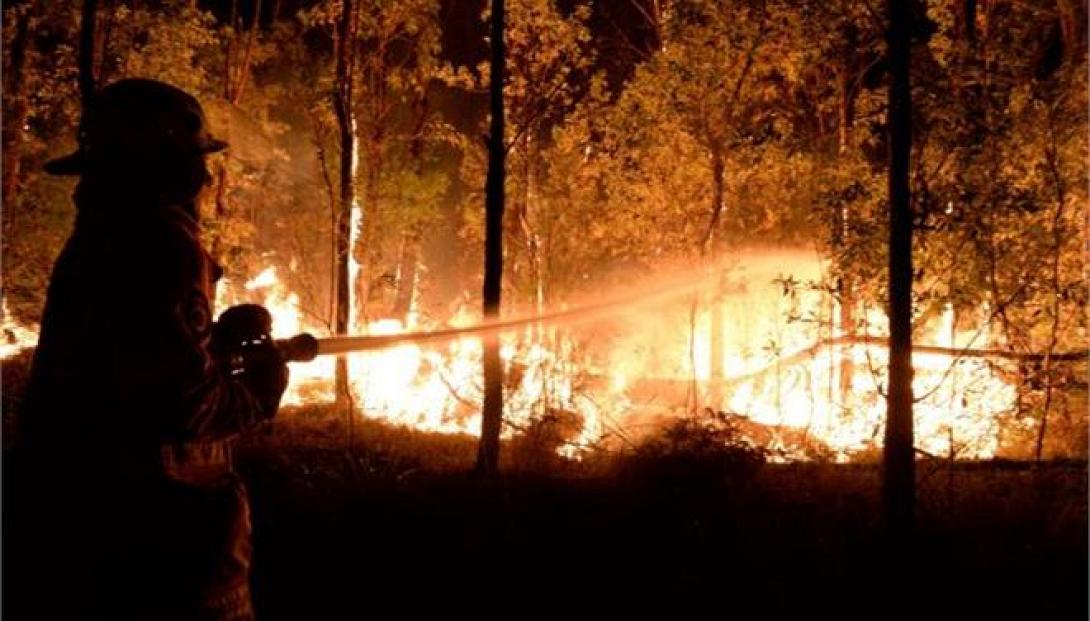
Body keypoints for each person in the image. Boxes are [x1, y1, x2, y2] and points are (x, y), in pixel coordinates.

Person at [9, 78, 289, 620]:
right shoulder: (161, 247)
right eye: (193, 161)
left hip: (88, 538)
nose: (205, 177)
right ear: (162, 164)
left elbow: (132, 361)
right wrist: (255, 393)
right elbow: (182, 405)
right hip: (165, 547)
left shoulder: (102, 239)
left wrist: (214, 341)